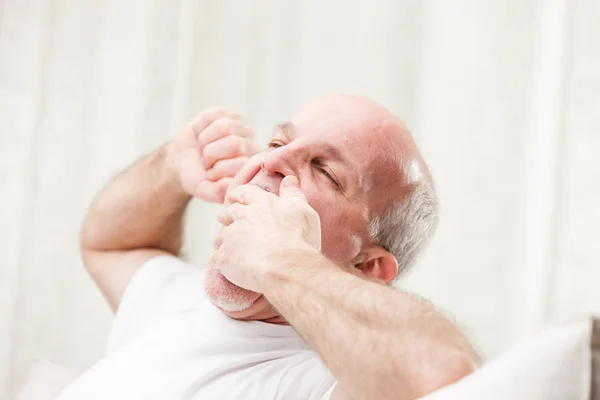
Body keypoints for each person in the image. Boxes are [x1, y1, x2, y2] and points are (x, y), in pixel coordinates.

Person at [58, 95, 480, 400]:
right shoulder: (178, 302)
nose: (271, 161)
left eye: (325, 171)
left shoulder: (313, 381)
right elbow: (109, 243)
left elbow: (442, 378)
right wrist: (171, 168)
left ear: (366, 268)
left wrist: (279, 259)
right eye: (278, 143)